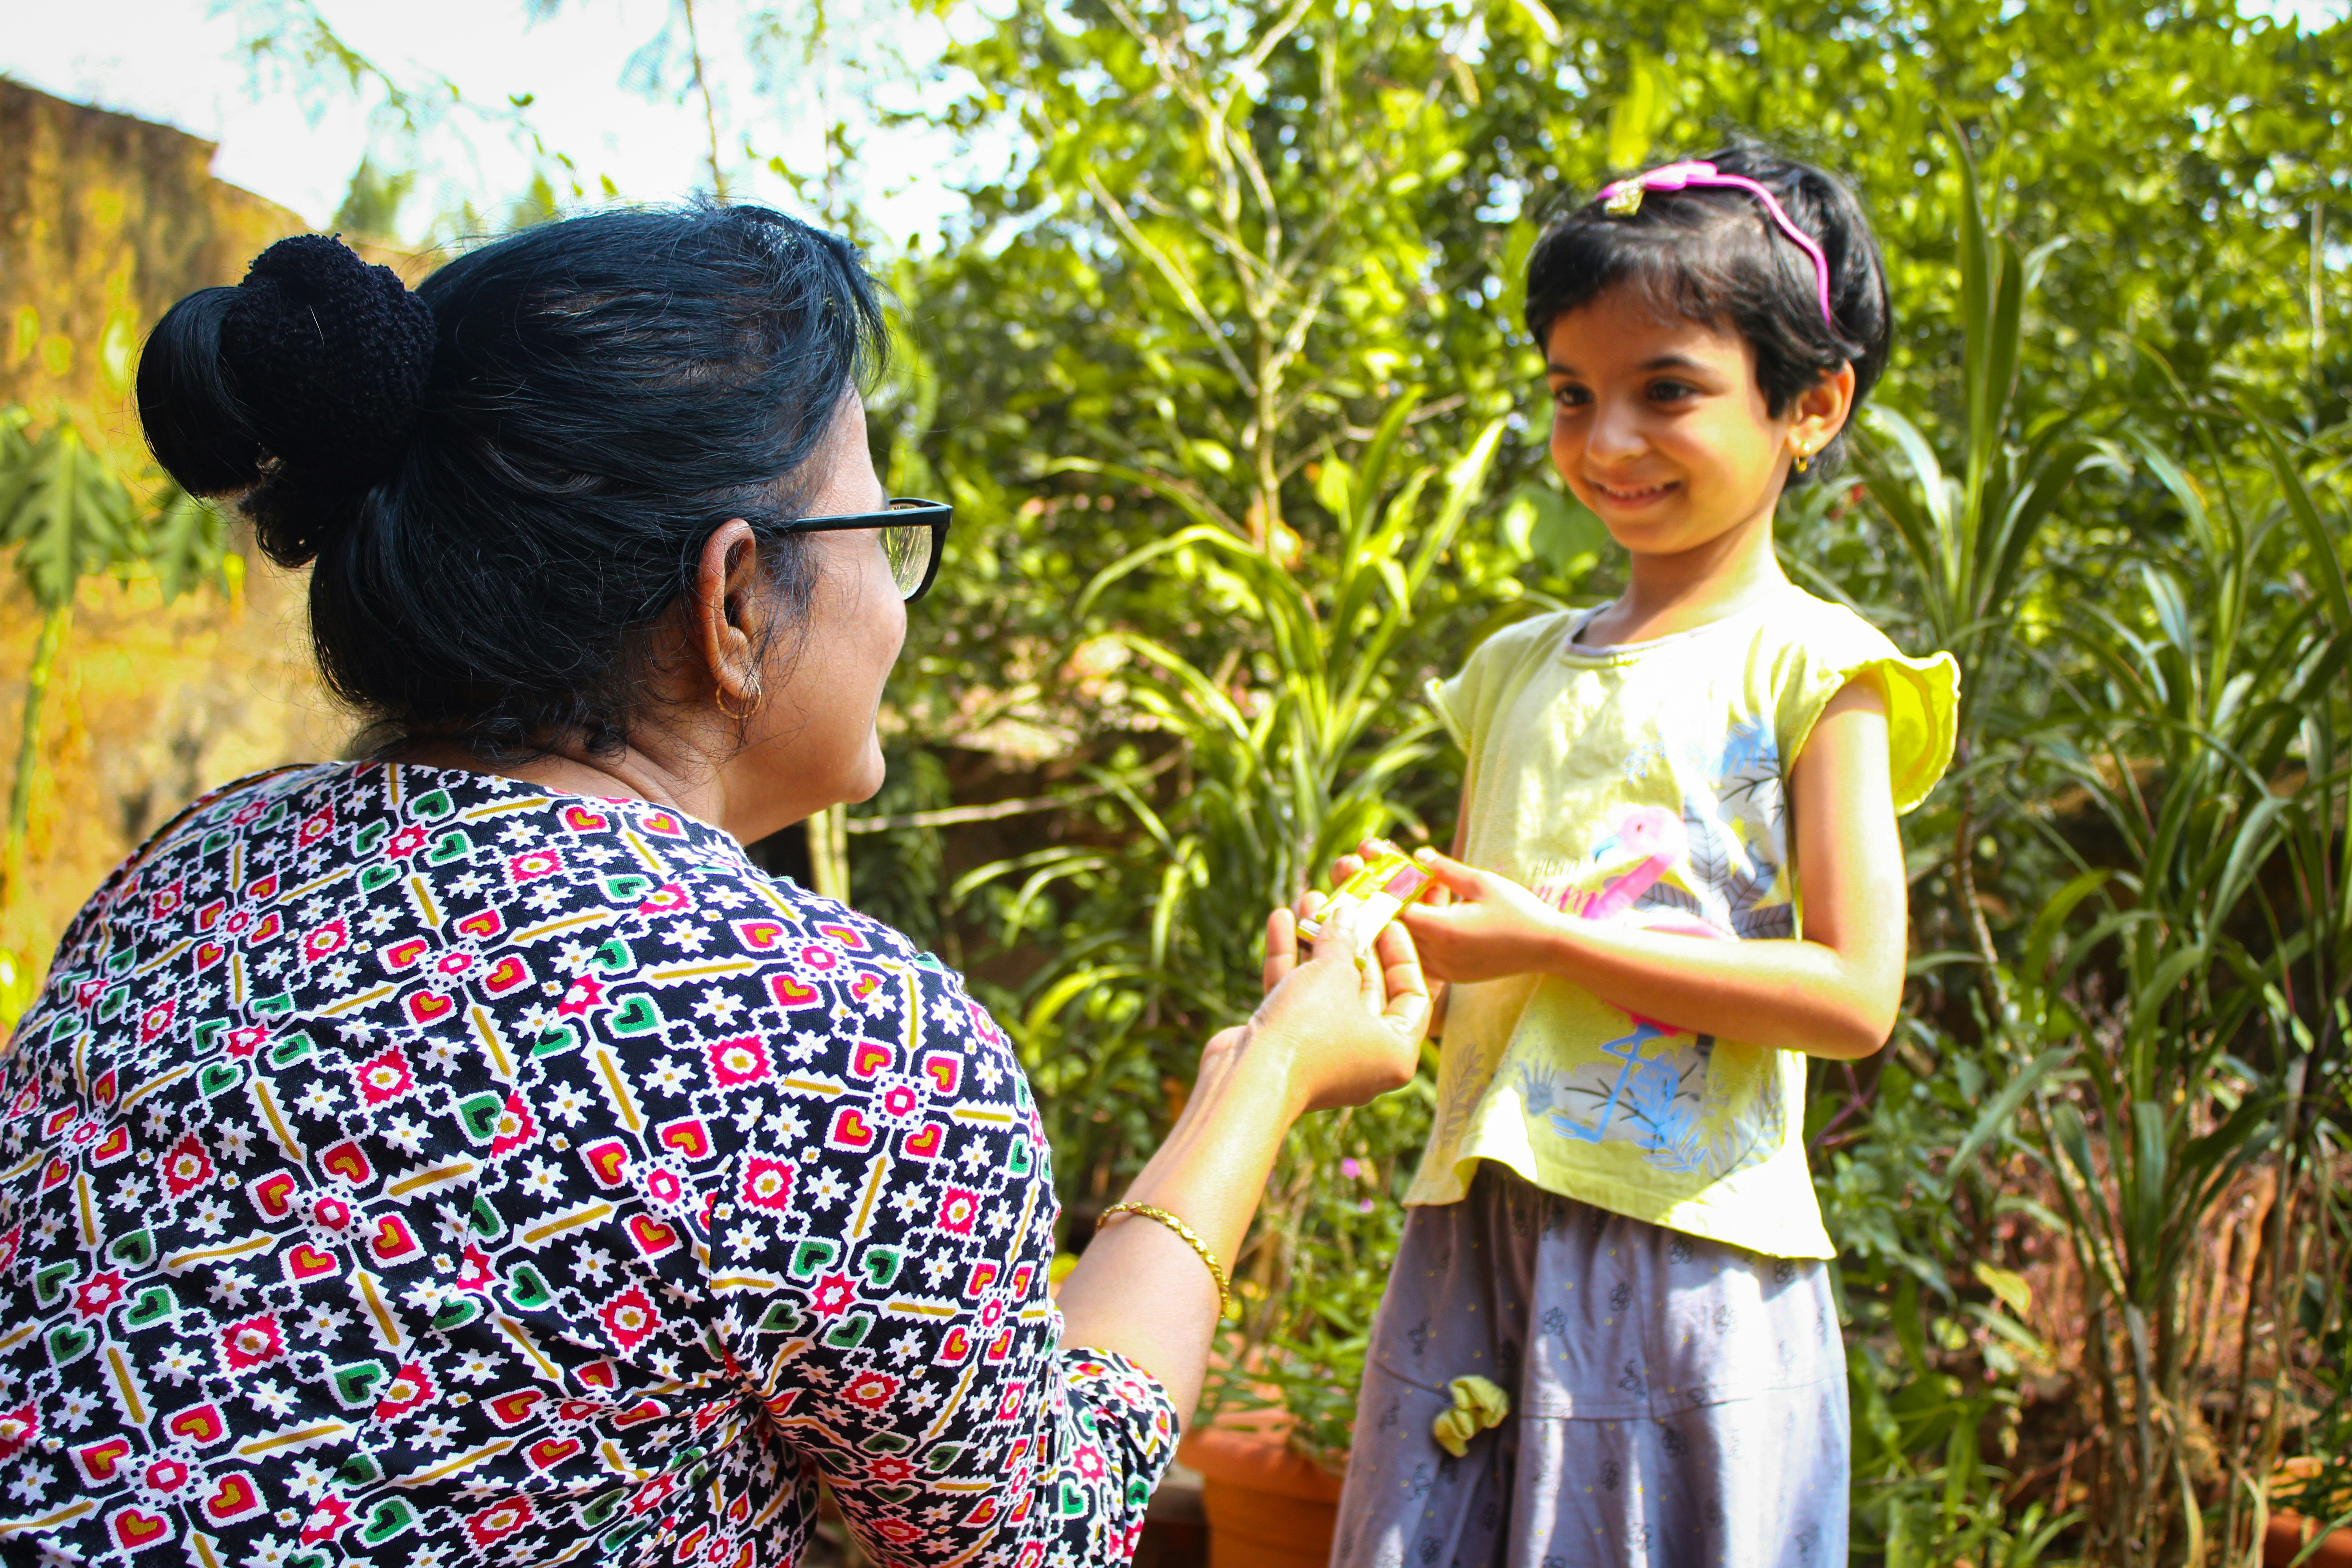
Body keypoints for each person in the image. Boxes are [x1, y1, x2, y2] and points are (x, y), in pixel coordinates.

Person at [0, 211, 1428, 1568]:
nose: (895, 599)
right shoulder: (825, 1032)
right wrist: (1268, 1076)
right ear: (738, 598)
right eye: (883, 533)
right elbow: (1028, 1526)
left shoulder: (193, 871)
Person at [1327, 145, 1960, 1567]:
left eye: (1666, 390)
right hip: (1471, 1242)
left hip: (1689, 1259)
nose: (1606, 441)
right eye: (1571, 393)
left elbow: (1857, 996)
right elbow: (1475, 986)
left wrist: (1548, 942)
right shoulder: (1507, 671)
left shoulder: (1822, 669)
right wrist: (1370, 953)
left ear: (1812, 408)